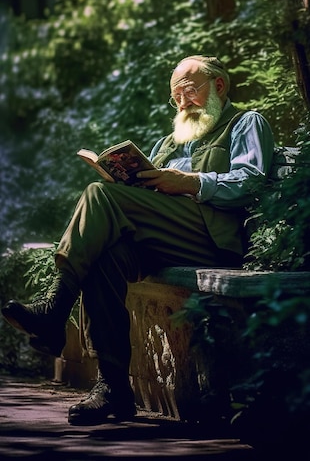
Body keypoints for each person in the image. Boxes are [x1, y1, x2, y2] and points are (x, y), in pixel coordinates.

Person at [1, 54, 274, 426]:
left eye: (189, 92)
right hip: (162, 236)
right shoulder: (170, 140)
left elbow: (252, 181)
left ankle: (54, 309)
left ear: (219, 86)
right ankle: (112, 386)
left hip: (212, 236)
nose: (182, 103)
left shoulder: (246, 122)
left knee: (99, 194)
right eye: (175, 97)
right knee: (106, 256)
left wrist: (191, 182)